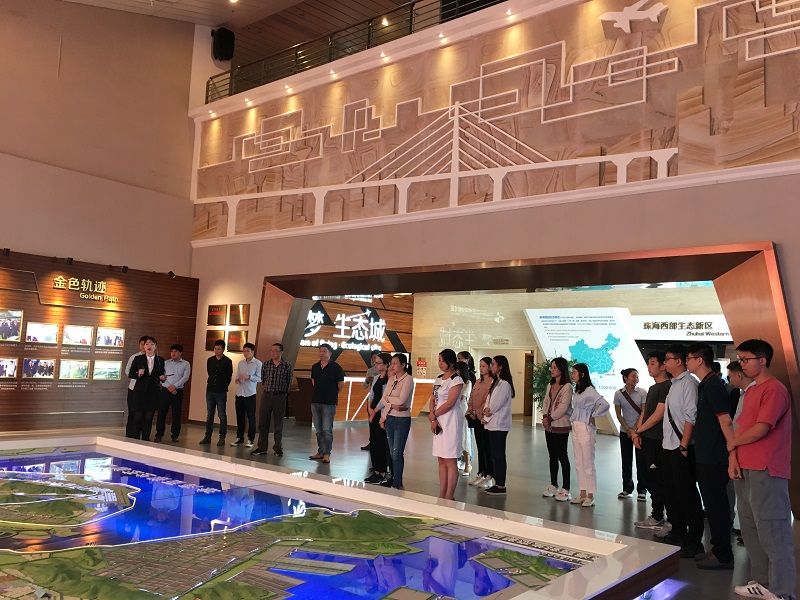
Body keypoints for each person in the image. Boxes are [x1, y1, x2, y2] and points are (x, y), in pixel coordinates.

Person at [728, 339, 795, 600]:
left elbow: (761, 429)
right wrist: (733, 457)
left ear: (762, 360)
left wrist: (732, 443)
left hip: (767, 468)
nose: (742, 365)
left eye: (746, 360)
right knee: (751, 529)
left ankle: (782, 591)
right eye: (740, 360)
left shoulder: (774, 390)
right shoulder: (751, 391)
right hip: (745, 467)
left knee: (773, 530)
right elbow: (741, 428)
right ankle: (762, 582)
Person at [685, 342, 734, 570]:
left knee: (717, 506)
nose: (687, 362)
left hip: (715, 457)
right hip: (705, 454)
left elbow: (725, 420)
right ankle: (716, 549)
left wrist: (732, 451)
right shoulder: (705, 384)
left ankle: (723, 554)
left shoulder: (713, 385)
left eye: (689, 358)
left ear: (699, 360)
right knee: (712, 506)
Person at [660, 343, 705, 559]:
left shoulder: (689, 383)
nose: (665, 363)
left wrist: (684, 444)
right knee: (672, 492)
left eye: (667, 359)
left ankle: (694, 540)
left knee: (687, 494)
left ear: (678, 362)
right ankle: (677, 531)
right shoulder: (674, 384)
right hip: (668, 445)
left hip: (682, 446)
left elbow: (691, 415)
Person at [631, 351, 671, 532]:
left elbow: (658, 415)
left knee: (657, 479)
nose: (649, 366)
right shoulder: (653, 388)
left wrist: (639, 431)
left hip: (657, 440)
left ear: (663, 366)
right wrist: (637, 433)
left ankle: (659, 515)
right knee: (648, 477)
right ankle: (656, 514)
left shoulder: (667, 386)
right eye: (648, 363)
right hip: (646, 438)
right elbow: (645, 412)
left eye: (653, 363)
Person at [568, 363, 609, 507]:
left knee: (588, 462)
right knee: (579, 462)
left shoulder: (590, 390)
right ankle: (582, 493)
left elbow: (604, 404)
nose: (572, 375)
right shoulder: (577, 390)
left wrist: (594, 415)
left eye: (575, 372)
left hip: (585, 427)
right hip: (575, 426)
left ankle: (590, 495)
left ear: (582, 374)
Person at [429, 349, 464, 500]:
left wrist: (434, 414)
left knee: (450, 459)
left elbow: (450, 403)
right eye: (439, 360)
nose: (440, 363)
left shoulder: (456, 380)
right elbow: (433, 398)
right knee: (441, 459)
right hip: (438, 420)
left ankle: (449, 495)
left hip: (450, 421)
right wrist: (433, 417)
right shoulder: (438, 379)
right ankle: (442, 493)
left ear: (451, 362)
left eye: (443, 361)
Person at [251, 343, 293, 457]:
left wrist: (282, 393)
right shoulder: (266, 365)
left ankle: (278, 448)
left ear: (281, 352)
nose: (273, 353)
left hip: (280, 396)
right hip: (267, 395)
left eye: (276, 350)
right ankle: (262, 448)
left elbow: (288, 381)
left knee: (278, 423)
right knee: (263, 422)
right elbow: (264, 380)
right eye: (272, 350)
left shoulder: (287, 366)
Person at [380, 353, 414, 489]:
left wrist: (389, 400)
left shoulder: (408, 379)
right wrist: (392, 404)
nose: (392, 366)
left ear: (403, 365)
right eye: (391, 363)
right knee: (391, 452)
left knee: (397, 453)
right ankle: (393, 478)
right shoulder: (391, 379)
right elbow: (383, 399)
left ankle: (397, 482)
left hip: (402, 420)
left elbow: (401, 400)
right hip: (390, 417)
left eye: (395, 363)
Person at [481, 355, 514, 495]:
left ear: (500, 366)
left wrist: (487, 414)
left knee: (499, 455)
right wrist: (485, 412)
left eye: (493, 364)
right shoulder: (496, 382)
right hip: (492, 423)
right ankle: (497, 482)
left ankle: (501, 485)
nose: (491, 366)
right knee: (494, 454)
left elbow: (496, 405)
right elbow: (488, 401)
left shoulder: (505, 384)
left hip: (499, 424)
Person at [541, 357, 573, 502]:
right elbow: (546, 402)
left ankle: (566, 488)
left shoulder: (567, 387)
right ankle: (553, 484)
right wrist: (544, 417)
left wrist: (550, 418)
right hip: (549, 426)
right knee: (552, 455)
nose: (552, 370)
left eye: (555, 367)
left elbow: (563, 407)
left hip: (560, 425)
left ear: (561, 369)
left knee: (562, 456)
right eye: (551, 367)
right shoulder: (550, 384)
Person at [613, 368, 647, 500]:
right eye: (633, 376)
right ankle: (627, 489)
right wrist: (628, 429)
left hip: (640, 431)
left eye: (637, 376)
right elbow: (618, 414)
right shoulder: (618, 394)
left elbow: (644, 412)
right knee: (626, 460)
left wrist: (635, 429)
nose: (636, 379)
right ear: (626, 378)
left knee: (641, 461)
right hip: (625, 432)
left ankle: (642, 490)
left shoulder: (643, 392)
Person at [309, 343, 345, 463]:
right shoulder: (315, 367)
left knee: (327, 429)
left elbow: (340, 385)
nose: (321, 353)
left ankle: (327, 453)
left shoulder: (336, 367)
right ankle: (320, 451)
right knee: (318, 429)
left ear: (330, 353)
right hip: (315, 401)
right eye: (320, 351)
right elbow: (313, 382)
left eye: (324, 351)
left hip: (329, 403)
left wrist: (332, 394)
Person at [127, 336, 166, 441]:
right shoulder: (138, 358)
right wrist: (138, 373)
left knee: (149, 418)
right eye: (147, 344)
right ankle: (135, 440)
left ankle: (145, 440)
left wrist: (162, 378)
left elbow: (161, 375)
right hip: (139, 392)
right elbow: (130, 373)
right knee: (137, 417)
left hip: (153, 392)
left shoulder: (160, 360)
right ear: (144, 347)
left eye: (152, 344)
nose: (149, 346)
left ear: (155, 347)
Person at [364, 352, 392, 485]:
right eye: (375, 363)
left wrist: (375, 411)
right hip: (373, 413)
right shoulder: (376, 378)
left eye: (379, 363)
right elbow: (372, 395)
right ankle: (375, 470)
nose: (376, 365)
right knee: (374, 441)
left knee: (381, 442)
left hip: (382, 413)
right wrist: (370, 408)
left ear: (386, 365)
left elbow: (385, 399)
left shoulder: (390, 379)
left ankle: (382, 471)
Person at [155, 343, 191, 442]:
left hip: (177, 392)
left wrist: (174, 386)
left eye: (175, 351)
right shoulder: (165, 363)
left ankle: (174, 435)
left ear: (180, 353)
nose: (173, 353)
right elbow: (161, 377)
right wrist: (169, 386)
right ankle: (159, 435)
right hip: (165, 391)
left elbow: (185, 377)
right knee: (162, 413)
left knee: (176, 414)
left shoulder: (186, 364)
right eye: (172, 351)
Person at [467, 357, 494, 489]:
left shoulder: (492, 382)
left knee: (487, 447)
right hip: (475, 418)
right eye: (480, 366)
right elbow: (472, 397)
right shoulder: (478, 381)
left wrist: (478, 411)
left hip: (485, 419)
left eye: (484, 366)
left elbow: (488, 401)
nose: (481, 368)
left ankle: (489, 475)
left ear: (490, 367)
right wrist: (470, 409)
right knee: (480, 448)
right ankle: (481, 473)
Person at [200, 339, 233, 446]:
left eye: (219, 349)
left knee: (221, 414)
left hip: (221, 392)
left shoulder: (227, 361)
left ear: (223, 349)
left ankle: (222, 437)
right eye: (215, 348)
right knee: (210, 414)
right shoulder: (210, 360)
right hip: (210, 390)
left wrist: (223, 386)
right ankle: (207, 436)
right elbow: (209, 373)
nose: (216, 351)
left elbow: (229, 377)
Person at [232, 342, 262, 448]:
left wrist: (249, 377)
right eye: (244, 351)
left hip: (250, 394)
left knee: (251, 417)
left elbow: (260, 378)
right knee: (240, 417)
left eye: (247, 351)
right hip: (239, 393)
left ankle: (250, 439)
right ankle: (239, 438)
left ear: (252, 352)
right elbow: (237, 375)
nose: (245, 353)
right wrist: (237, 379)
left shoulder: (258, 363)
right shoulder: (241, 363)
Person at [457, 351, 477, 475]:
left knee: (466, 437)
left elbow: (463, 397)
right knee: (457, 437)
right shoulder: (455, 380)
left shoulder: (469, 381)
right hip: (455, 411)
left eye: (461, 358)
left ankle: (467, 462)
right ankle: (459, 459)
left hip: (463, 410)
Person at [124, 336, 148, 438]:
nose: (143, 346)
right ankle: (130, 433)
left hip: (146, 390)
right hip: (133, 388)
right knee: (133, 411)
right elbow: (127, 371)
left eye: (145, 344)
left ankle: (142, 433)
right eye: (141, 344)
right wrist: (138, 374)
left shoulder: (152, 358)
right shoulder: (134, 357)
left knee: (144, 412)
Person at [361, 350, 381, 451]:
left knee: (380, 422)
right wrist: (367, 380)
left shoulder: (385, 370)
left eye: (377, 357)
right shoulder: (370, 370)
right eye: (373, 358)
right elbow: (364, 386)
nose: (375, 360)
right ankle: (372, 442)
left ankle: (380, 443)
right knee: (371, 422)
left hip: (382, 400)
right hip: (371, 399)